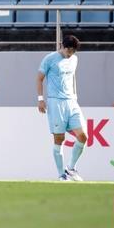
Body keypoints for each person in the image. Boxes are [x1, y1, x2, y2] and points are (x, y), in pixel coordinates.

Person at [37, 35, 87, 181]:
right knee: (59, 139)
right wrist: (40, 99)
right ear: (62, 46)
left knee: (83, 136)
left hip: (71, 102)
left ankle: (71, 168)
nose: (70, 53)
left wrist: (75, 96)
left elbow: (72, 77)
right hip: (55, 102)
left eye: (73, 51)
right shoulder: (50, 58)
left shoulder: (75, 59)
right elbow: (39, 78)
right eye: (69, 50)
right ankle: (61, 175)